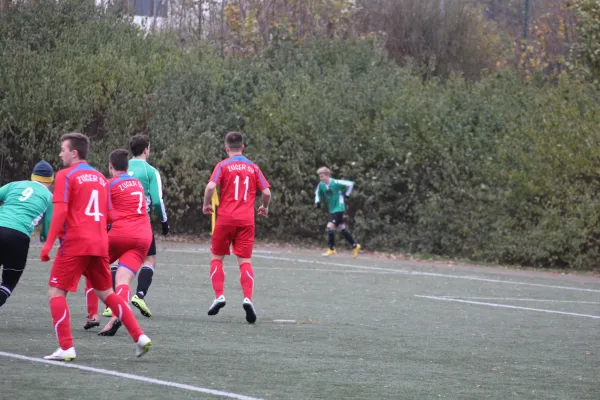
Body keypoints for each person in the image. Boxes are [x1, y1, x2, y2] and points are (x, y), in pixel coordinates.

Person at [40, 132, 151, 361]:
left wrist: (48, 244)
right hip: (100, 243)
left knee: (56, 291)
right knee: (108, 293)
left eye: (63, 149)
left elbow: (59, 212)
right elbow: (109, 215)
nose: (60, 154)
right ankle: (139, 337)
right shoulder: (100, 178)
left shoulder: (65, 175)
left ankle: (67, 347)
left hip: (75, 243)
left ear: (74, 152)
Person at [202, 132, 271, 324]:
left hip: (225, 219)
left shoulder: (223, 165)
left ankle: (219, 296)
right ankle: (247, 298)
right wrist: (264, 207)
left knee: (217, 258)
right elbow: (266, 191)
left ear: (226, 147)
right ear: (243, 147)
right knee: (245, 261)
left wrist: (206, 204)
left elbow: (210, 187)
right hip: (246, 221)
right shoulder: (253, 167)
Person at [83, 149, 153, 336]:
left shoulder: (109, 184)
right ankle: (117, 315)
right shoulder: (137, 183)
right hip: (144, 236)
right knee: (123, 280)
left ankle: (93, 315)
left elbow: (101, 214)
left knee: (90, 267)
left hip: (121, 233)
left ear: (110, 166)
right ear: (127, 166)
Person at [102, 134, 169, 319]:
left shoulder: (120, 166)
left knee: (113, 261)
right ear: (147, 149)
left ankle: (111, 302)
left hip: (115, 223)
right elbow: (157, 200)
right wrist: (164, 222)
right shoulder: (150, 171)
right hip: (140, 224)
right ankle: (139, 295)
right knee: (149, 259)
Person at [0, 161, 54, 307]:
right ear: (50, 180)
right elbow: (48, 225)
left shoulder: (14, 185)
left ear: (32, 176)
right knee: (9, 281)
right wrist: (44, 236)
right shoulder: (49, 197)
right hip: (19, 237)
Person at [314, 167, 361, 258]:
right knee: (341, 228)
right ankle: (355, 245)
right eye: (320, 176)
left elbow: (351, 184)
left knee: (330, 226)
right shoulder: (321, 185)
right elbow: (317, 193)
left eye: (322, 176)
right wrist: (318, 202)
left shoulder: (336, 182)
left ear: (327, 175)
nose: (321, 178)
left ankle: (332, 249)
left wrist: (347, 194)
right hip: (332, 209)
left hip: (339, 208)